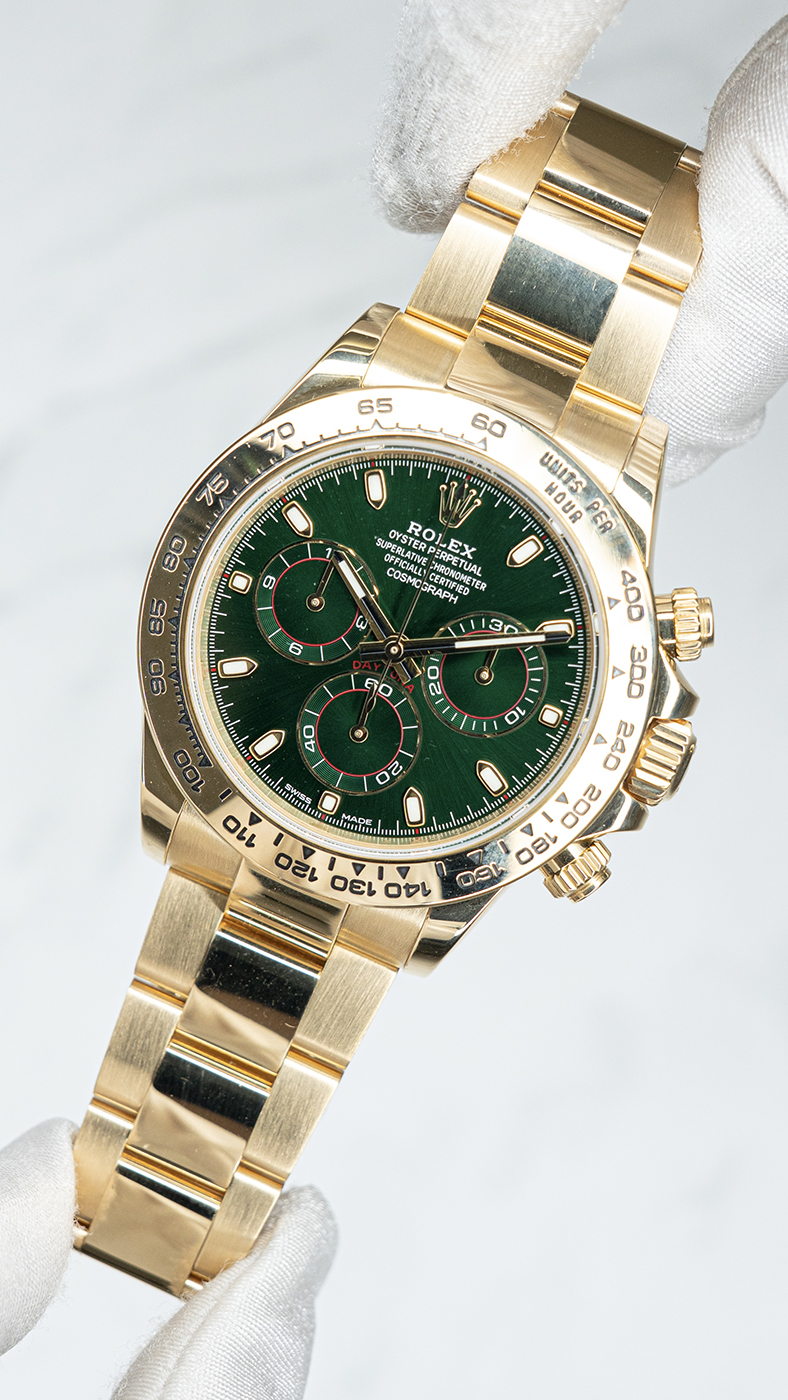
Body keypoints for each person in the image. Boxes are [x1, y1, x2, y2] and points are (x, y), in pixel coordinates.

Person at [3, 1, 788, 1394]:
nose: (405, 655)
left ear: (623, 748)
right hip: (274, 794)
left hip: (329, 815)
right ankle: (149, 1197)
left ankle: (163, 1200)